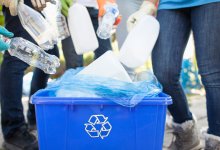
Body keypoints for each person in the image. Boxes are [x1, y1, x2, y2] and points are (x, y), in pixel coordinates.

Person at [128, 0, 220, 149]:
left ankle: (216, 142)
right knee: (164, 74)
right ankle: (186, 133)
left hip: (210, 2)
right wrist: (148, 4)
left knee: (212, 76)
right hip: (170, 4)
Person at [0, 0, 58, 149]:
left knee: (50, 50)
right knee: (16, 61)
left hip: (37, 8)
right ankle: (13, 130)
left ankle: (36, 112)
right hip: (21, 4)